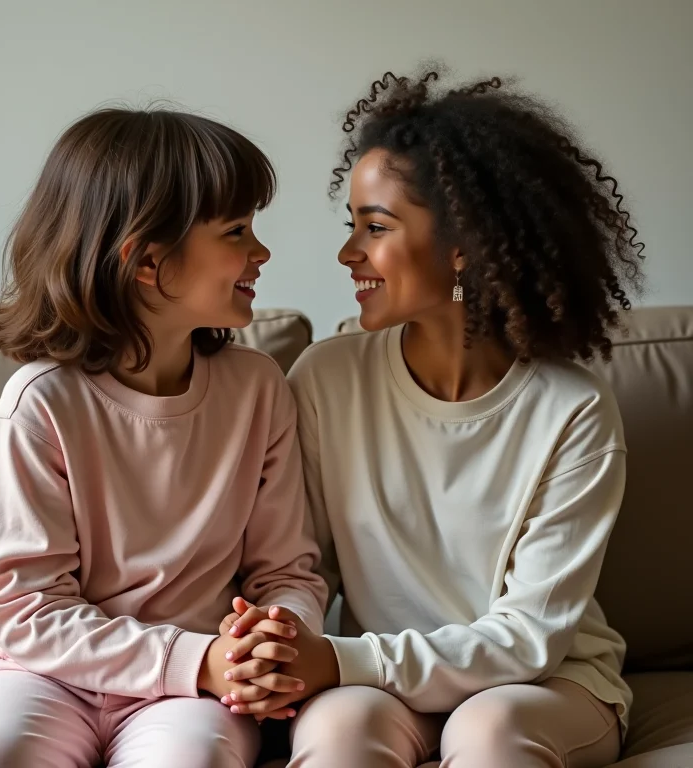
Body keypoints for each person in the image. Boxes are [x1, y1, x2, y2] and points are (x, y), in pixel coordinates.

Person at [220, 66, 645, 767]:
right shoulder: (327, 377)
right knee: (340, 733)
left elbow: (530, 637)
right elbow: (297, 566)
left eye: (375, 227)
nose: (348, 253)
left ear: (462, 246)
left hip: (544, 683)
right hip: (377, 684)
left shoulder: (573, 411)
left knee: (490, 731)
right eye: (350, 224)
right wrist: (274, 643)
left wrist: (343, 661)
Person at [0, 107, 327, 768]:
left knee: (192, 760)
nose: (260, 252)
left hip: (192, 694)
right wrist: (198, 658)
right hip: (44, 674)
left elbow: (287, 571)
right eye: (237, 230)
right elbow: (26, 608)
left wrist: (275, 637)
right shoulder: (40, 405)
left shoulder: (259, 389)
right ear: (147, 261)